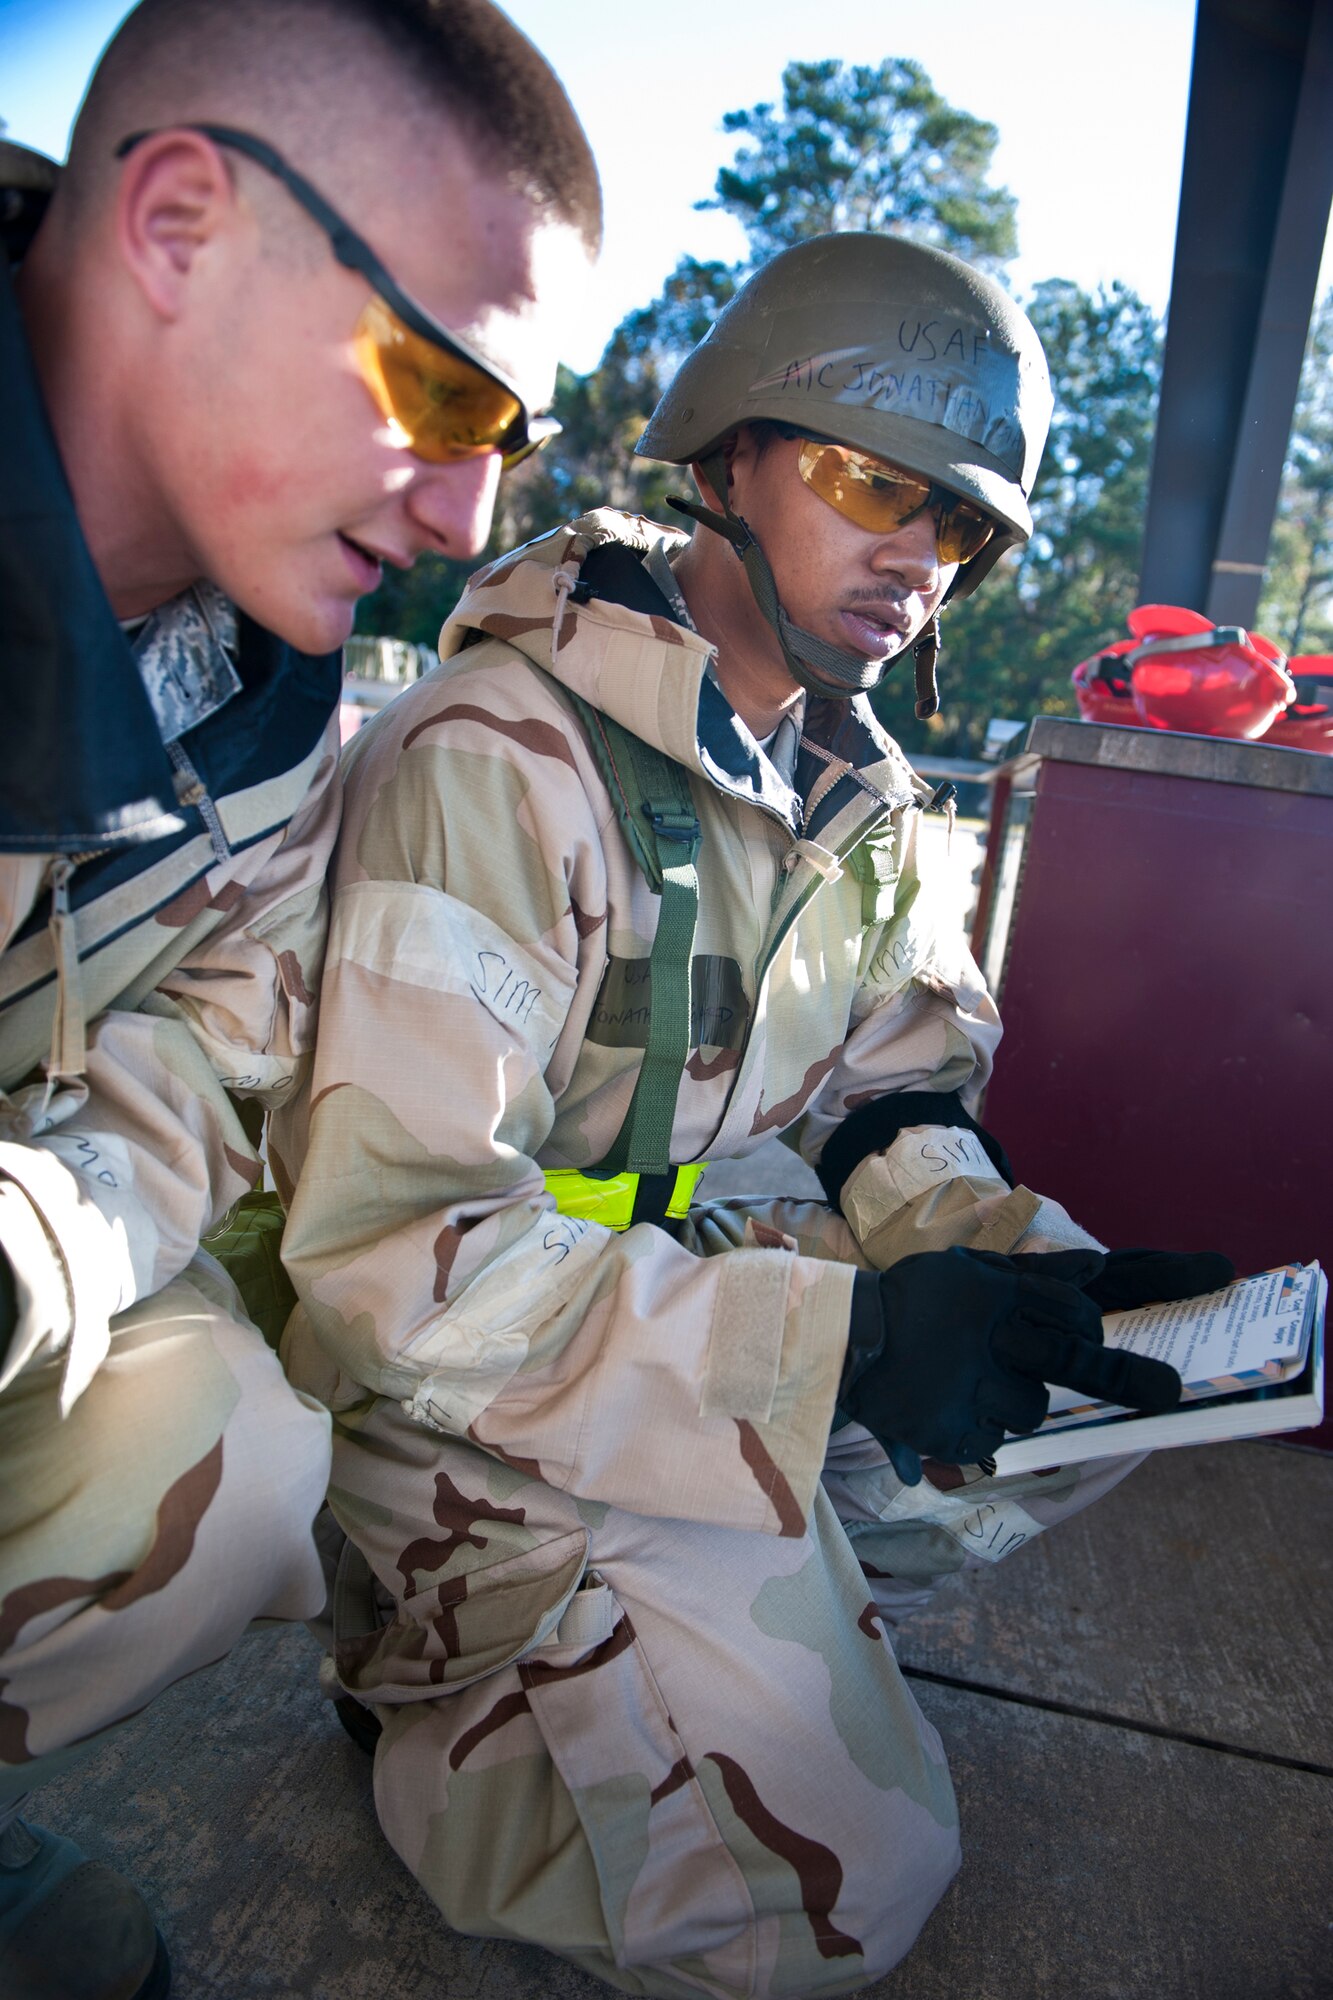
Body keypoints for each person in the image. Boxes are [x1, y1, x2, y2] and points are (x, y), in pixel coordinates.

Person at [277, 233, 1229, 1998]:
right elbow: (397, 1266)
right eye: (876, 483)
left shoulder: (849, 795)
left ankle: (713, 1625)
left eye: (959, 527)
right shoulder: (501, 758)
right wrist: (851, 1356)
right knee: (838, 1902)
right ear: (723, 460)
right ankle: (445, 1683)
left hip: (678, 1322)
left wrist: (998, 1258)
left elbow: (887, 1096)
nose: (916, 559)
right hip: (459, 1390)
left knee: (1085, 1380)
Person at [0, 2, 599, 1995]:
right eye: (437, 387)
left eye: (501, 441)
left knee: (221, 1440)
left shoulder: (272, 714)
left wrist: (51, 1231)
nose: (466, 521)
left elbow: (210, 1039)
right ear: (175, 222)